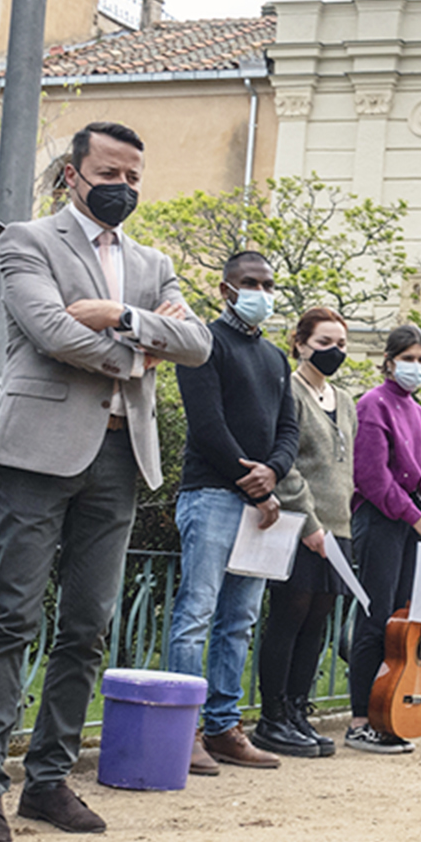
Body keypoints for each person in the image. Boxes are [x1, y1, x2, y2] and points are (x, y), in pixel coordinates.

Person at [0, 120, 213, 842]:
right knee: (10, 619)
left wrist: (123, 315)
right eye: (110, 174)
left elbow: (196, 344)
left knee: (88, 627)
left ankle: (47, 781)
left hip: (119, 458)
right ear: (73, 174)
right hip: (38, 453)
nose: (123, 189)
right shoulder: (28, 242)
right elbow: (51, 332)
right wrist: (142, 349)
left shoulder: (153, 264)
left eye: (133, 177)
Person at [167, 251, 298, 775]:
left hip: (259, 501)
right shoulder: (205, 344)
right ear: (226, 289)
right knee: (195, 615)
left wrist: (275, 472)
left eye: (268, 284)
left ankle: (224, 727)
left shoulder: (274, 357)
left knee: (239, 621)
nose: (261, 292)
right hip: (212, 495)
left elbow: (289, 428)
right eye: (251, 283)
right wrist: (254, 482)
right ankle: (184, 728)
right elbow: (206, 425)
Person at [253, 307, 357, 759]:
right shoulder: (288, 391)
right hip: (300, 526)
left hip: (340, 527)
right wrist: (311, 524)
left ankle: (298, 709)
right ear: (299, 343)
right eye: (324, 344)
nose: (334, 352)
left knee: (317, 623)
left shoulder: (346, 400)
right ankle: (272, 715)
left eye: (341, 345)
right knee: (288, 619)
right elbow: (287, 462)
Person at [343, 325, 421, 754]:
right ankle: (358, 719)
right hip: (382, 519)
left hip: (416, 527)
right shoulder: (373, 404)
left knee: (401, 624)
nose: (417, 367)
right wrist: (414, 517)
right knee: (375, 619)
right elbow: (371, 476)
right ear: (389, 361)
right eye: (409, 358)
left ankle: (386, 709)